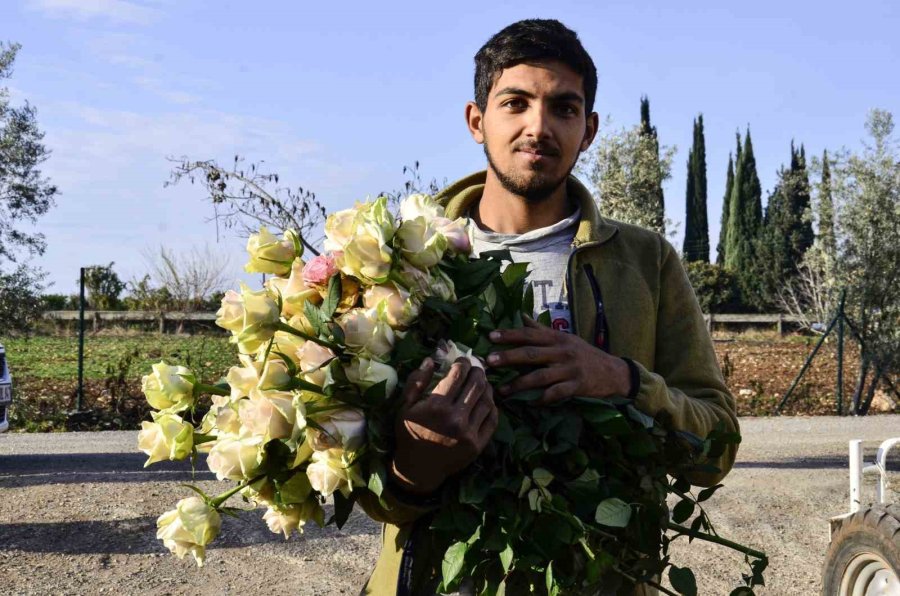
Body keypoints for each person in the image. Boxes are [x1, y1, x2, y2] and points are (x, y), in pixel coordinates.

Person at [357, 19, 739, 596]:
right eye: (516, 103)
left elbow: (716, 448)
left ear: (588, 130)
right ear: (477, 120)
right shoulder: (397, 262)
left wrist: (623, 381)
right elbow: (359, 480)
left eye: (563, 108)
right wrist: (415, 465)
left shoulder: (647, 263)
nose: (538, 127)